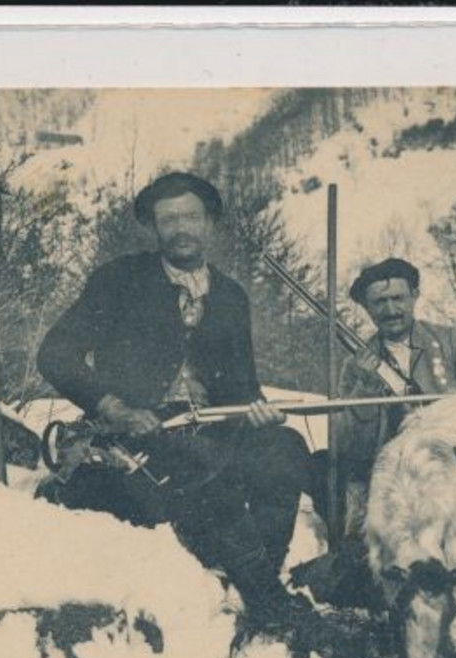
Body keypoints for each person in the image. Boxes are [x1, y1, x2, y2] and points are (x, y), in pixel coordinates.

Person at [35, 171, 315, 629]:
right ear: (155, 227)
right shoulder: (119, 279)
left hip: (215, 426)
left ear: (208, 223)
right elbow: (55, 354)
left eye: (190, 216)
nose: (181, 228)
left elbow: (243, 388)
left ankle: (254, 577)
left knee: (284, 450)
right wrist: (115, 408)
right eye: (169, 219)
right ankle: (267, 602)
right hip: (139, 436)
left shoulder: (230, 296)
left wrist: (259, 412)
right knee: (206, 466)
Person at [332, 257, 456, 542]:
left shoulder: (453, 342)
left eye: (398, 298)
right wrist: (366, 385)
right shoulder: (355, 367)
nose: (390, 310)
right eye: (379, 302)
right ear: (367, 308)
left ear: (415, 295)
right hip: (396, 474)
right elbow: (354, 447)